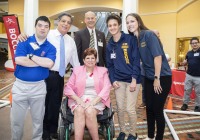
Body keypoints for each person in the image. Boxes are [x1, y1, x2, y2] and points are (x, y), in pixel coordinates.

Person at [18, 13, 80, 140]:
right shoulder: (48, 34)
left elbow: (76, 62)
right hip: (45, 74)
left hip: (59, 77)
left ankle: (52, 131)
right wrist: (22, 36)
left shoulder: (70, 41)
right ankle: (43, 132)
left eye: (68, 22)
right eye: (63, 21)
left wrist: (80, 77)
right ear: (58, 22)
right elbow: (33, 39)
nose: (66, 24)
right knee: (43, 105)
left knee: (55, 105)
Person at [126, 13, 172, 140]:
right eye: (127, 22)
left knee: (157, 110)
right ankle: (150, 136)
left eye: (132, 21)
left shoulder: (149, 35)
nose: (130, 24)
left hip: (162, 77)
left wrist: (157, 79)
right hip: (148, 77)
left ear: (138, 22)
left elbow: (158, 57)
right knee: (149, 108)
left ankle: (159, 138)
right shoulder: (136, 39)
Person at [11, 16, 56, 140]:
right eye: (40, 25)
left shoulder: (51, 47)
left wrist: (30, 56)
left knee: (38, 121)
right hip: (20, 86)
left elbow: (49, 64)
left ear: (49, 29)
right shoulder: (24, 41)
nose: (43, 29)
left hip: (39, 87)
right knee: (16, 121)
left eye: (46, 26)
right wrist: (41, 61)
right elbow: (19, 60)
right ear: (35, 27)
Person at [106, 14, 141, 140]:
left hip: (133, 80)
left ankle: (133, 133)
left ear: (119, 25)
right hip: (118, 81)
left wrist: (134, 79)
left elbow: (136, 60)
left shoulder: (130, 39)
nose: (112, 27)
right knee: (120, 108)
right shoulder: (109, 45)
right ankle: (122, 131)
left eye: (115, 24)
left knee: (130, 109)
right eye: (110, 25)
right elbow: (109, 65)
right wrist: (113, 80)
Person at [64, 48, 111, 140]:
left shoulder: (103, 71)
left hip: (97, 99)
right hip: (79, 98)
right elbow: (68, 88)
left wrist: (93, 102)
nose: (90, 60)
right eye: (88, 58)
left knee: (89, 111)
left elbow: (106, 88)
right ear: (83, 60)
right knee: (79, 110)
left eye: (92, 58)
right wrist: (78, 100)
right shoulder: (77, 71)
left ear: (96, 59)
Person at [180, 37, 200, 112]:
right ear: (191, 44)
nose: (194, 44)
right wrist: (184, 63)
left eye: (196, 43)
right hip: (189, 75)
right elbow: (185, 61)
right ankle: (185, 104)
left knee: (198, 92)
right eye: (193, 43)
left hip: (198, 77)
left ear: (198, 43)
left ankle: (198, 106)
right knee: (187, 90)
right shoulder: (189, 53)